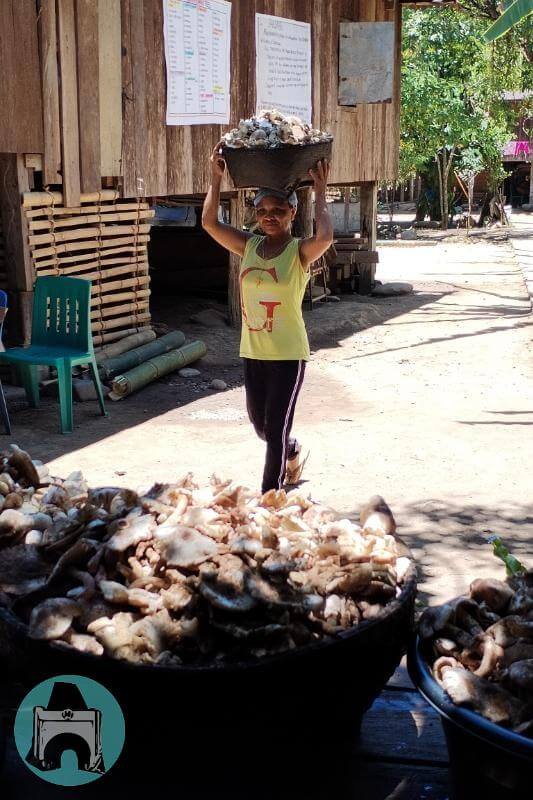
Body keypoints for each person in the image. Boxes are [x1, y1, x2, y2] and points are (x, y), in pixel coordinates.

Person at [202, 144, 333, 494]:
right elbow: (209, 222)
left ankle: (269, 499)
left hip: (288, 355)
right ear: (255, 215)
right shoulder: (248, 246)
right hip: (253, 351)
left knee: (273, 431)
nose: (269, 216)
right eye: (262, 211)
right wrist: (216, 178)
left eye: (277, 210)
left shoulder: (298, 252)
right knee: (262, 429)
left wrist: (320, 193)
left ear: (292, 212)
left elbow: (324, 237)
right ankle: (292, 452)